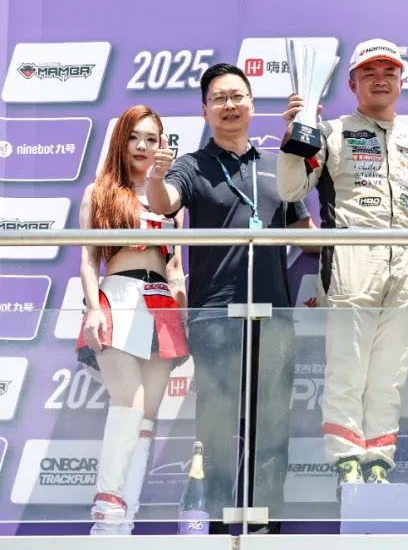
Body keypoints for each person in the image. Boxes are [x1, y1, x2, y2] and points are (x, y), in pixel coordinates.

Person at [148, 64, 313, 532]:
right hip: (215, 317)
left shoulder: (277, 163)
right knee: (217, 429)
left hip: (274, 316)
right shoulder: (191, 164)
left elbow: (308, 235)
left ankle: (266, 529)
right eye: (218, 99)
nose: (229, 105)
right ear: (205, 111)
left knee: (273, 428)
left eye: (237, 96)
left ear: (252, 105)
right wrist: (156, 176)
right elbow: (163, 203)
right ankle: (218, 530)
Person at [277, 38, 408, 489]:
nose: (380, 79)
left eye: (389, 72)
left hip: (404, 264)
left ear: (402, 82)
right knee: (347, 368)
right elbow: (290, 190)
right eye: (369, 72)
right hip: (350, 259)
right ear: (352, 83)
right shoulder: (330, 133)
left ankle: (379, 460)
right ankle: (347, 459)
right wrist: (293, 139)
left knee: (391, 373)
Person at [78, 105, 188, 535]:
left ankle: (125, 523)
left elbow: (176, 267)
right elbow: (88, 260)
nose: (142, 146)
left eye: (151, 139)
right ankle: (105, 517)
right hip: (118, 297)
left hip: (162, 304)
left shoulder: (171, 199)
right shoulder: (100, 191)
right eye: (134, 137)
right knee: (130, 401)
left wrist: (182, 304)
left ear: (162, 145)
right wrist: (93, 307)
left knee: (147, 417)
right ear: (120, 141)